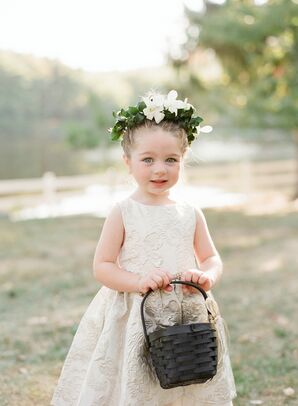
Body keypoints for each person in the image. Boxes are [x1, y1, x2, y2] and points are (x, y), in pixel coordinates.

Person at [51, 90, 237, 405]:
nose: (159, 170)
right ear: (128, 162)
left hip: (185, 313)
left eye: (171, 160)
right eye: (147, 159)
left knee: (187, 378)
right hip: (135, 313)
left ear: (183, 160)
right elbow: (103, 266)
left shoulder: (190, 212)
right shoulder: (123, 211)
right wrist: (138, 281)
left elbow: (211, 257)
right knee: (136, 382)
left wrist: (206, 275)